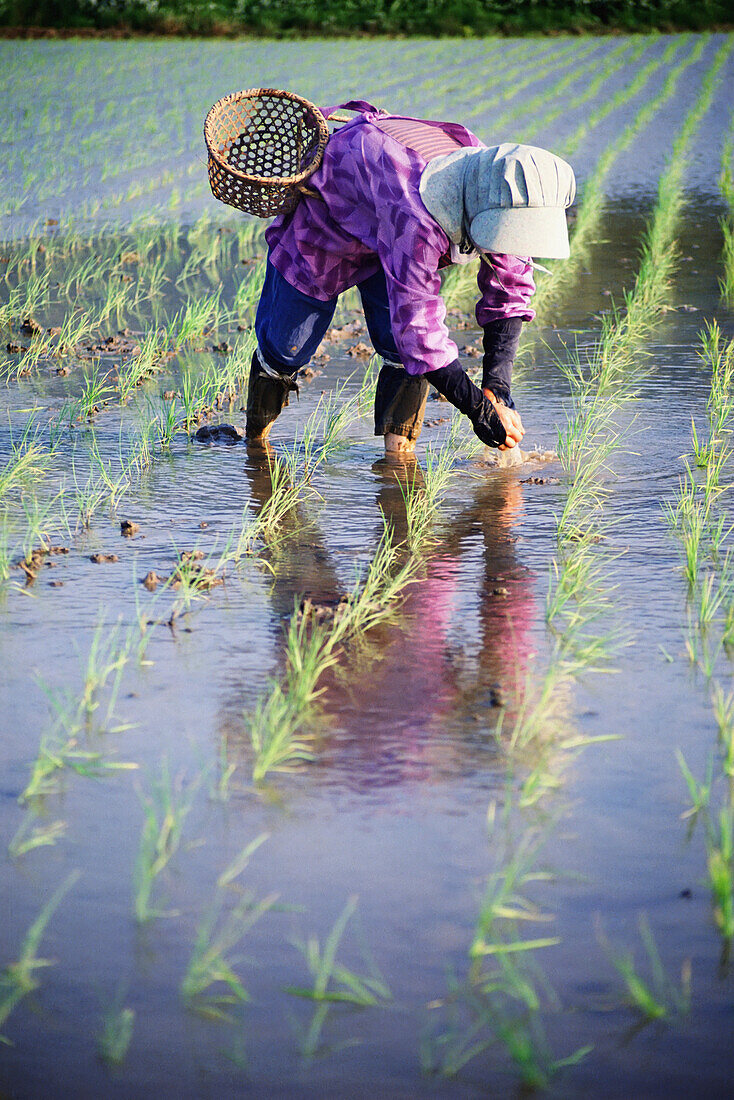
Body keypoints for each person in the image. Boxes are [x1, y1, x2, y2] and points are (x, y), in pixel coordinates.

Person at [246, 99, 575, 456]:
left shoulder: (507, 192)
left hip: (389, 216)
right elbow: (421, 332)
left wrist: (497, 388)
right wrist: (477, 410)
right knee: (286, 345)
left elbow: (510, 287)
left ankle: (398, 462)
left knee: (401, 351)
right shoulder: (421, 214)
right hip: (329, 221)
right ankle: (256, 447)